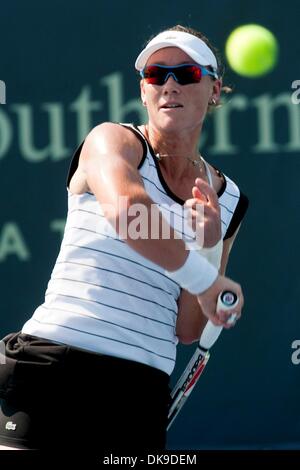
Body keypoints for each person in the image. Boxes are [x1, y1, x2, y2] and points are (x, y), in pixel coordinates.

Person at [0, 25, 248, 451]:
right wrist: (205, 277)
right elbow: (129, 215)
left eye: (185, 73)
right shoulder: (112, 140)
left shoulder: (229, 199)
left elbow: (188, 327)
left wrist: (207, 246)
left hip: (139, 390)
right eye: (156, 74)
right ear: (144, 91)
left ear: (214, 90)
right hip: (53, 366)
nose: (169, 84)